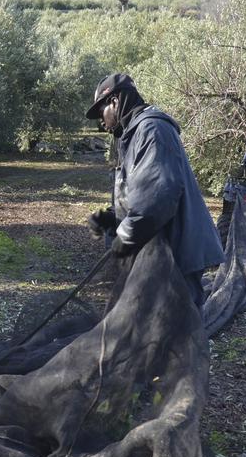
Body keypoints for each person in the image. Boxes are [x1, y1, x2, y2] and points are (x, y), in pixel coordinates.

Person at [85, 73, 223, 309]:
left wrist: (127, 235)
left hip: (177, 251)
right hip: (162, 252)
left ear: (115, 102)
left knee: (178, 325)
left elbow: (159, 195)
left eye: (101, 112)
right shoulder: (136, 132)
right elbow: (139, 189)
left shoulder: (152, 129)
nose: (101, 122)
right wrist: (112, 217)